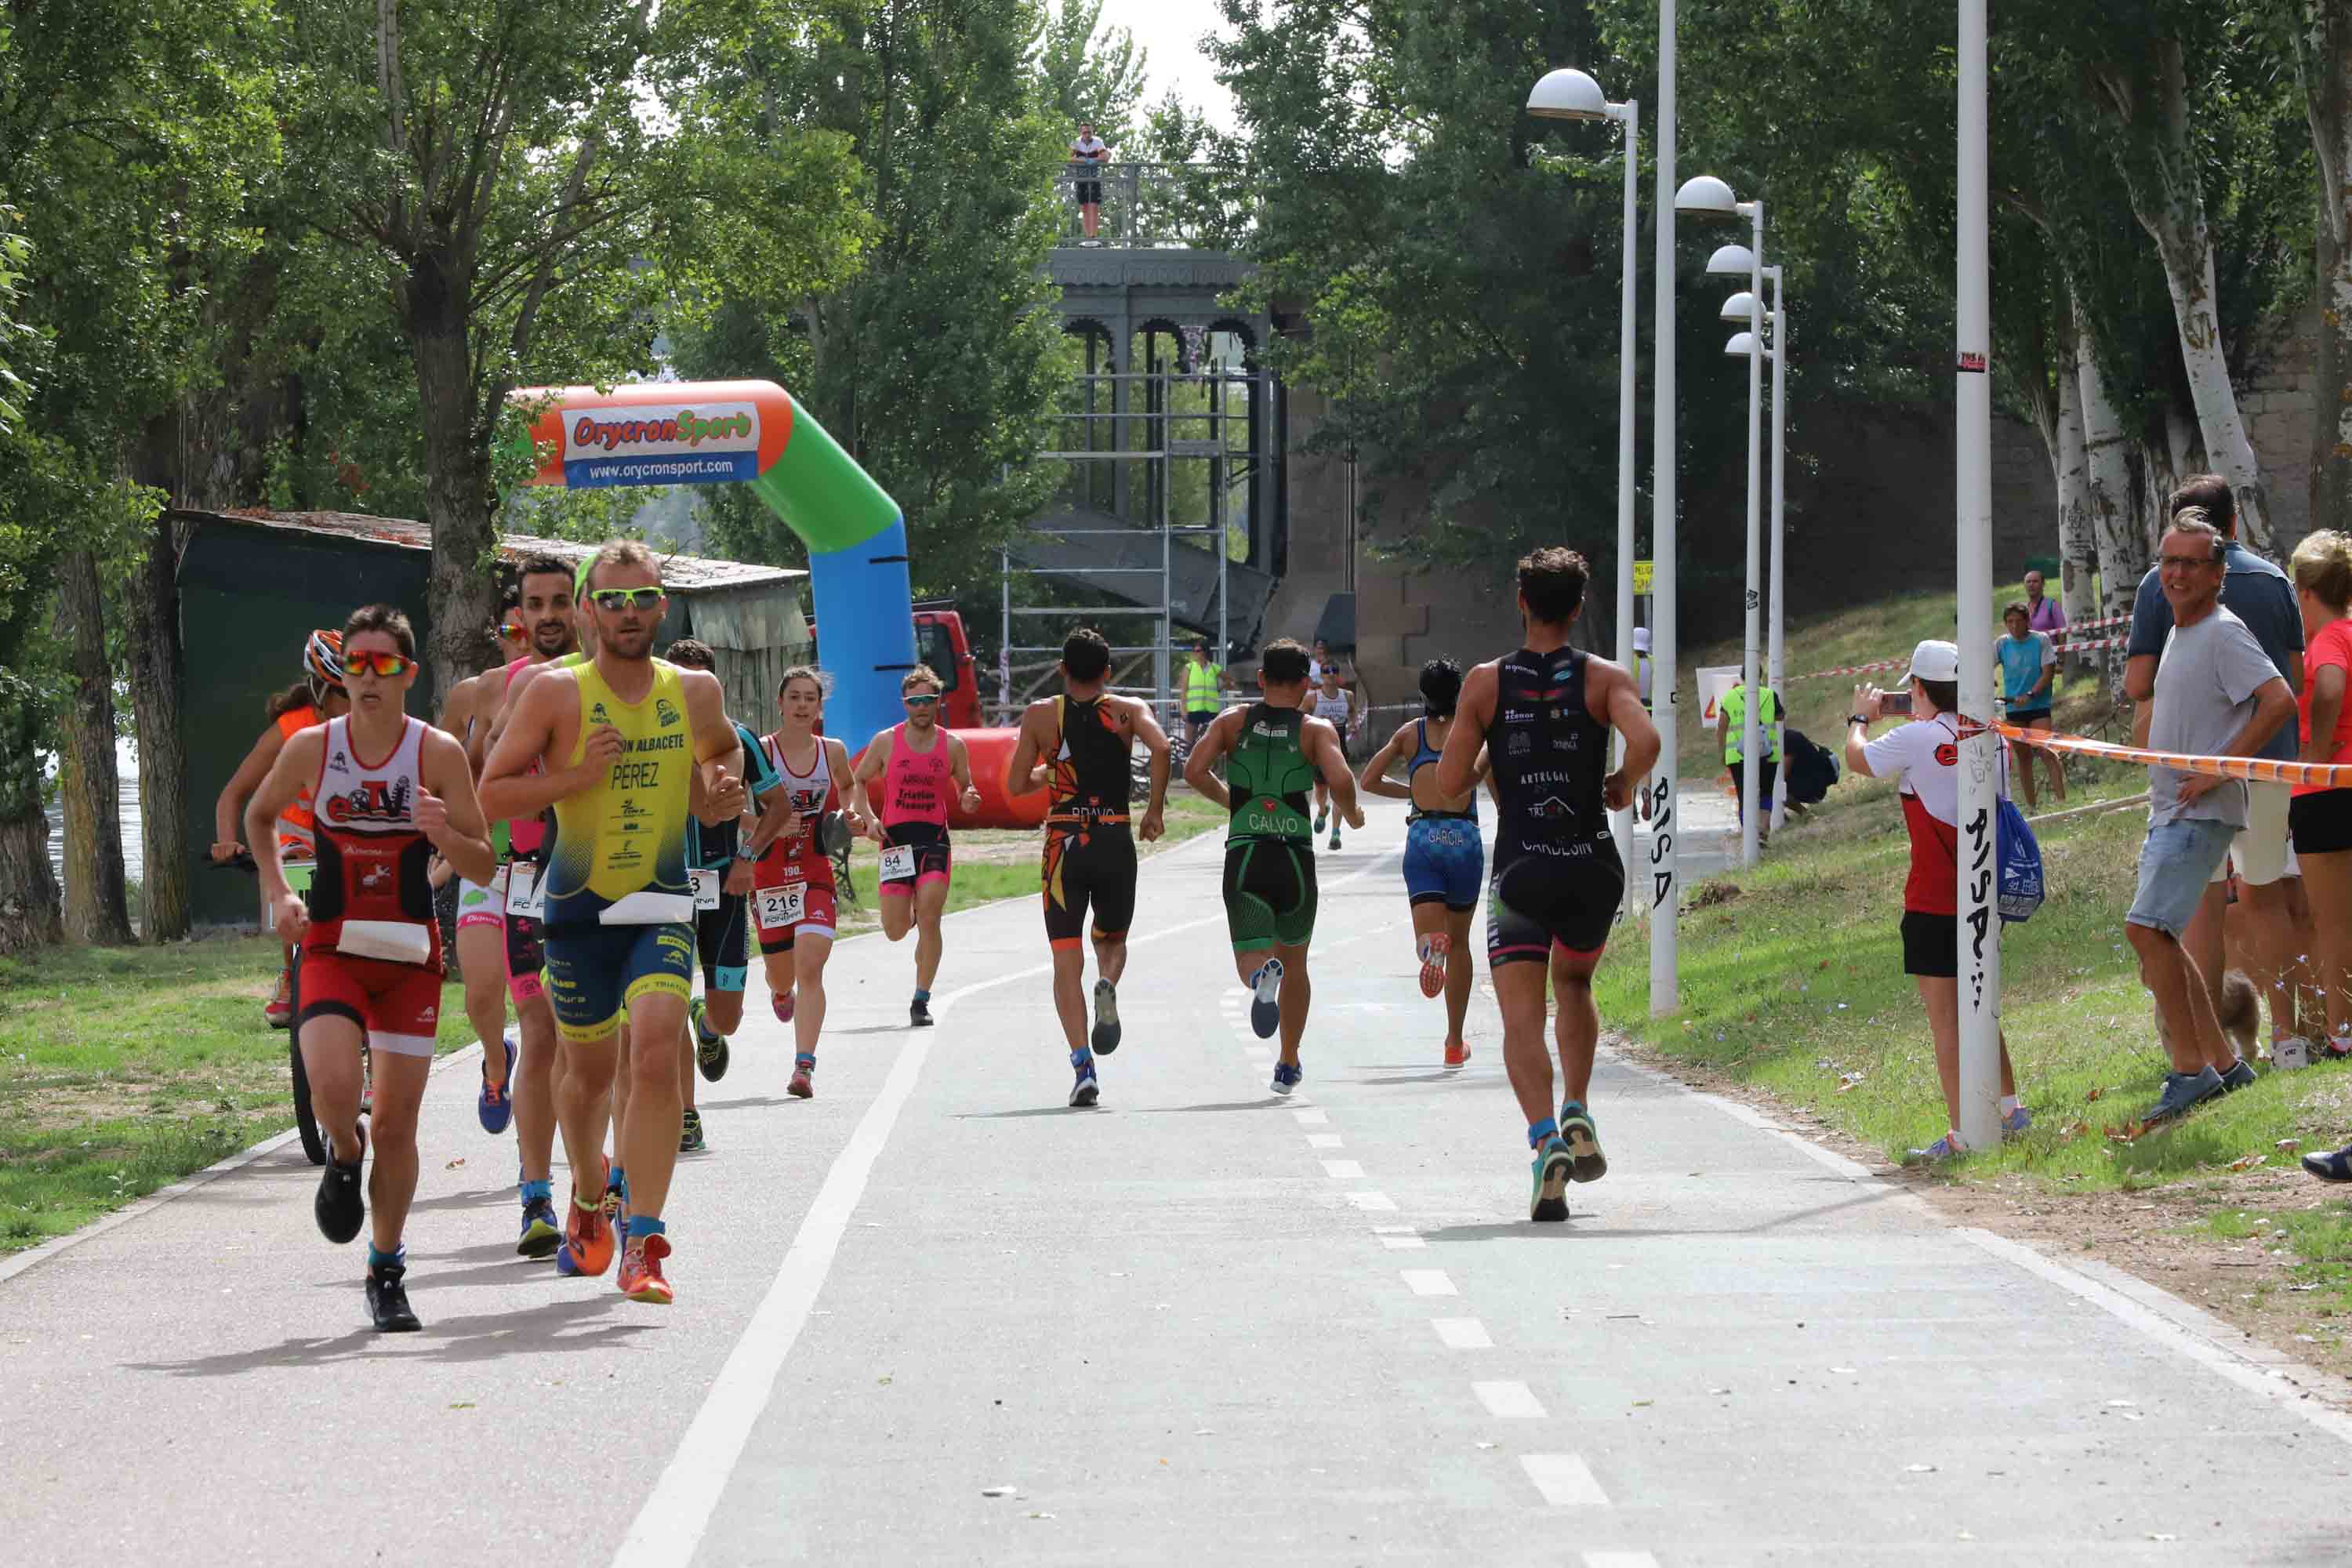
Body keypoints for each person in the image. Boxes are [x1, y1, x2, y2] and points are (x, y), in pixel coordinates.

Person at [481, 539, 746, 1307]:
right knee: (588, 1075)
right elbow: (492, 792)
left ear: (664, 605)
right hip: (576, 908)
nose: (629, 612)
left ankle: (645, 1240)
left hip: (661, 902)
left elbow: (719, 753)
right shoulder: (556, 694)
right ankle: (590, 1192)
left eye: (644, 598)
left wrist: (713, 795)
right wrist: (577, 777)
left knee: (659, 1052)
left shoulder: (693, 690)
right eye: (614, 599)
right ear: (590, 608)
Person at [245, 604, 497, 1331]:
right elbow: (259, 817)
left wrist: (442, 830)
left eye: (384, 664)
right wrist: (278, 891)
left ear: (408, 674)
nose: (368, 678)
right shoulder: (317, 749)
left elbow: (485, 858)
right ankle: (341, 1152)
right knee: (332, 1090)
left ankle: (386, 1268)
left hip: (411, 960)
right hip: (330, 949)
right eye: (356, 665)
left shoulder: (438, 753)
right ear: (341, 676)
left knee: (397, 1125)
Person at [1435, 548, 1657, 1222]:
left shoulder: (1484, 683)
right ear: (1579, 607)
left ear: (1521, 602)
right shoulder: (1604, 677)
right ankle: (1578, 1108)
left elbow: (1448, 784)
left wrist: (1483, 757)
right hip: (1592, 865)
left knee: (1521, 1018)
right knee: (1576, 984)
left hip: (1520, 871)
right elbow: (1645, 739)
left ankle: (1544, 1143)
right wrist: (1623, 784)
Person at [2125, 475, 2315, 1065]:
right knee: (2269, 898)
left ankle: (2205, 1052)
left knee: (2199, 916)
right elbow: (2296, 675)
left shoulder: (2161, 588)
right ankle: (2287, 1039)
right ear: (2235, 523)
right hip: (2270, 765)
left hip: (2207, 771)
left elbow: (2137, 683)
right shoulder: (2275, 579)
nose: (2177, 572)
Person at [1846, 640, 2030, 1163]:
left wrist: (1859, 717)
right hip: (1982, 892)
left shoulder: (1915, 737)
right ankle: (2010, 1111)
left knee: (1947, 1020)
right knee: (1983, 1008)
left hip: (1931, 898)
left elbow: (1858, 759)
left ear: (1920, 689)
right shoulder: (1992, 736)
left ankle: (1962, 1132)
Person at [471, 554, 588, 1254]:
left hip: (603, 873)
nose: (546, 616)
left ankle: (602, 1183)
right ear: (521, 615)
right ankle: (537, 1196)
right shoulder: (511, 684)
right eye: (534, 604)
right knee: (541, 1035)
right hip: (527, 875)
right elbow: (484, 775)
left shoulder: (611, 679)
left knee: (600, 1040)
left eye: (558, 602)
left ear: (580, 608)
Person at [1185, 638, 1363, 1094]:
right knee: (1297, 964)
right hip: (1294, 858)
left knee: (1252, 954)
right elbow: (1340, 778)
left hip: (1246, 853)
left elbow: (1194, 770)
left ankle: (1259, 978)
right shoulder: (1316, 729)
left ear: (1261, 679)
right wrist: (1355, 815)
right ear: (1306, 683)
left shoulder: (1231, 722)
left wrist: (1230, 801)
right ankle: (1288, 1062)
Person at [1007, 627, 1171, 1106]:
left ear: (1062, 670)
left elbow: (1017, 784)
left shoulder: (1040, 715)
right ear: (1107, 672)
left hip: (1062, 845)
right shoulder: (1127, 709)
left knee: (1065, 959)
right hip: (1113, 837)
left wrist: (1047, 770)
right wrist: (1155, 810)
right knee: (1112, 939)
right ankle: (1109, 983)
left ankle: (1082, 1065)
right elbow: (1161, 749)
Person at [660, 638, 781, 1151]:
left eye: (698, 680)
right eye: (677, 678)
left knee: (727, 1014)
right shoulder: (650, 736)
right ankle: (686, 1115)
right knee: (659, 1009)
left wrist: (746, 858)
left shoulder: (739, 739)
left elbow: (778, 808)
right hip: (662, 889)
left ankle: (706, 1028)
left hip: (723, 886)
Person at [1357, 659, 1491, 1068]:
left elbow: (1368, 780)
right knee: (1463, 944)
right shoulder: (1475, 735)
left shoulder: (1409, 734)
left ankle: (1429, 947)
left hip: (1423, 839)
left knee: (1430, 935)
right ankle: (1454, 1041)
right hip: (1464, 838)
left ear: (1423, 695)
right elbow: (1491, 779)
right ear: (1460, 694)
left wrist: (1413, 794)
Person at [212, 629, 349, 1027]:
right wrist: (226, 841)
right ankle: (291, 975)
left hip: (342, 831)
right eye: (343, 693)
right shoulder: (290, 729)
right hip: (293, 837)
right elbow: (232, 794)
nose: (353, 702)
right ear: (321, 691)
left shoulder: (368, 726)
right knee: (289, 872)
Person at [745, 667, 863, 1099]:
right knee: (782, 975)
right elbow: (727, 806)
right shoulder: (760, 750)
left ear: (819, 706)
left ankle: (804, 1067)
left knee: (810, 965)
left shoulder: (831, 751)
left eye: (810, 698)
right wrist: (767, 821)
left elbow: (849, 786)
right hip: (769, 874)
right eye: (794, 697)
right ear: (780, 703)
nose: (801, 705)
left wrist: (849, 813)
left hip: (814, 868)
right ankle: (780, 993)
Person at [854, 666, 984, 1027]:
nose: (922, 707)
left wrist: (970, 798)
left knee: (931, 916)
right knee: (896, 930)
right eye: (914, 701)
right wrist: (869, 818)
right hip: (895, 843)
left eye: (928, 700)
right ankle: (910, 918)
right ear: (905, 704)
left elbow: (964, 788)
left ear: (938, 701)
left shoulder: (953, 745)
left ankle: (921, 999)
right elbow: (859, 782)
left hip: (934, 841)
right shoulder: (886, 741)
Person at [2290, 531, 2352, 1062]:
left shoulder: (2328, 639)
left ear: (2306, 589)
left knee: (2331, 923)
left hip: (2327, 792)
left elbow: (2329, 687)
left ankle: (2342, 1030)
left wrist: (2317, 754)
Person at [1998, 601, 2066, 809]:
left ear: (2028, 621)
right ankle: (2032, 807)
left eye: (2019, 621)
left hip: (2038, 705)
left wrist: (2031, 693)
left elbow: (2048, 673)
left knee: (2046, 751)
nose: (2015, 626)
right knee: (2023, 757)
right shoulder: (2001, 644)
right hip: (2013, 708)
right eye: (2010, 622)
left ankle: (2062, 801)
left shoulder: (2041, 640)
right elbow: (1984, 665)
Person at [1718, 673, 1782, 845]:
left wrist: (1722, 752)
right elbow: (1780, 716)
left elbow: (1722, 726)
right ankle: (1762, 831)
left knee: (1744, 794)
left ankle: (1748, 836)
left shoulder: (1730, 696)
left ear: (1742, 676)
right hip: (1768, 753)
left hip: (1737, 755)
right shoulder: (1769, 694)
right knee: (1766, 792)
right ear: (1760, 676)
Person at [1308, 664, 1357, 851]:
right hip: (1319, 749)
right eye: (1327, 672)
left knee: (1339, 790)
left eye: (1334, 671)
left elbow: (1352, 710)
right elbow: (1299, 716)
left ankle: (1336, 834)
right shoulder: (1313, 697)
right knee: (1321, 789)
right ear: (1321, 675)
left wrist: (1353, 724)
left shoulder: (1347, 696)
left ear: (1338, 675)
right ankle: (1322, 811)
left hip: (1339, 748)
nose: (1330, 675)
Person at [1182, 639, 1228, 753]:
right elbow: (1183, 690)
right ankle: (1186, 765)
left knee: (1212, 742)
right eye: (1194, 651)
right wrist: (1183, 710)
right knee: (1189, 743)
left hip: (1211, 711)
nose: (1195, 653)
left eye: (1198, 650)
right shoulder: (1189, 667)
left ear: (1205, 652)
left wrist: (1219, 689)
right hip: (1193, 709)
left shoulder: (1214, 668)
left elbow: (1230, 681)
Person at [1069, 122, 1109, 243]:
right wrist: (1084, 161)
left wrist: (1091, 160)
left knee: (1094, 205)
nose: (1087, 135)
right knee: (1084, 206)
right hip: (1081, 177)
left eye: (1089, 132)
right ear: (1081, 133)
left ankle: (1093, 236)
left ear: (1092, 132)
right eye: (1084, 132)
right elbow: (1069, 158)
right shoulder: (1076, 142)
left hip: (1094, 177)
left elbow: (1105, 158)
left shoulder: (1098, 142)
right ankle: (1088, 236)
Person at [2024, 569, 2065, 637]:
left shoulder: (2052, 605)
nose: (2031, 584)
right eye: (2028, 582)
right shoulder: (2023, 608)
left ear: (2043, 584)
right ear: (2025, 585)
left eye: (2035, 581)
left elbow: (2062, 633)